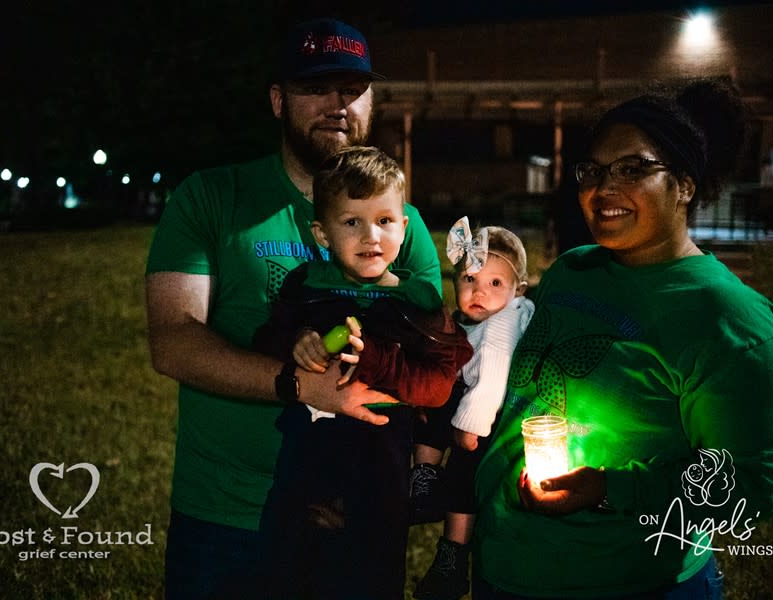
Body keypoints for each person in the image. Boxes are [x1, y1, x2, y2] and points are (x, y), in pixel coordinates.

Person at [144, 18, 443, 600]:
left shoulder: (401, 226)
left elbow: (428, 363)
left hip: (358, 516)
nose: (337, 105)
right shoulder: (211, 198)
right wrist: (298, 384)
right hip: (229, 516)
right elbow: (173, 340)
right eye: (315, 88)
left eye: (352, 89)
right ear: (279, 100)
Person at [472, 80, 773, 599]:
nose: (604, 187)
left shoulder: (730, 321)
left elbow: (755, 484)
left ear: (684, 186)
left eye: (632, 169)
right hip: (504, 568)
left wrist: (608, 488)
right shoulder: (573, 270)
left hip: (630, 581)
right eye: (594, 171)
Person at [253, 146, 473, 599]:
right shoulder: (306, 286)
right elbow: (265, 341)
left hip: (379, 482)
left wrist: (376, 359)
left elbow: (438, 387)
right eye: (352, 222)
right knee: (286, 579)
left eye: (384, 220)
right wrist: (295, 341)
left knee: (369, 583)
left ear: (404, 227)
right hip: (303, 474)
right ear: (322, 232)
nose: (371, 235)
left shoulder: (417, 302)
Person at [409, 217, 535, 600]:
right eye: (469, 279)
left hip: (487, 418)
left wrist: (469, 427)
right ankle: (424, 477)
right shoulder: (478, 317)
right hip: (470, 397)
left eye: (495, 283)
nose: (479, 291)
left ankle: (452, 556)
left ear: (517, 290)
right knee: (432, 402)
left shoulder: (500, 328)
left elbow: (492, 378)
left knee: (463, 475)